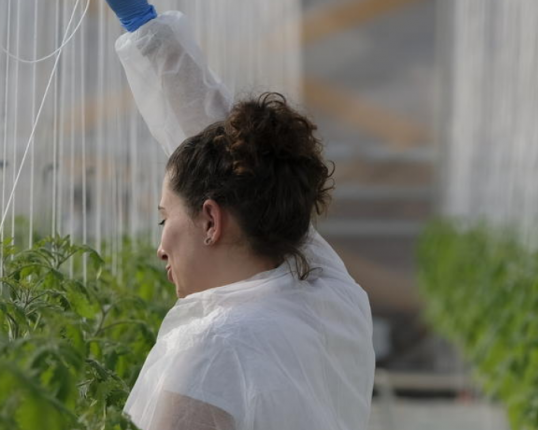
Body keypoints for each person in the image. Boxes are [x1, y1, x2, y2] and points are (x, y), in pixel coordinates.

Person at [105, 1, 376, 429]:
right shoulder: (330, 297)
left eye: (164, 220)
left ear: (211, 221)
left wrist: (148, 30)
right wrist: (148, 33)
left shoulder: (213, 350)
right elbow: (236, 166)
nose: (160, 248)